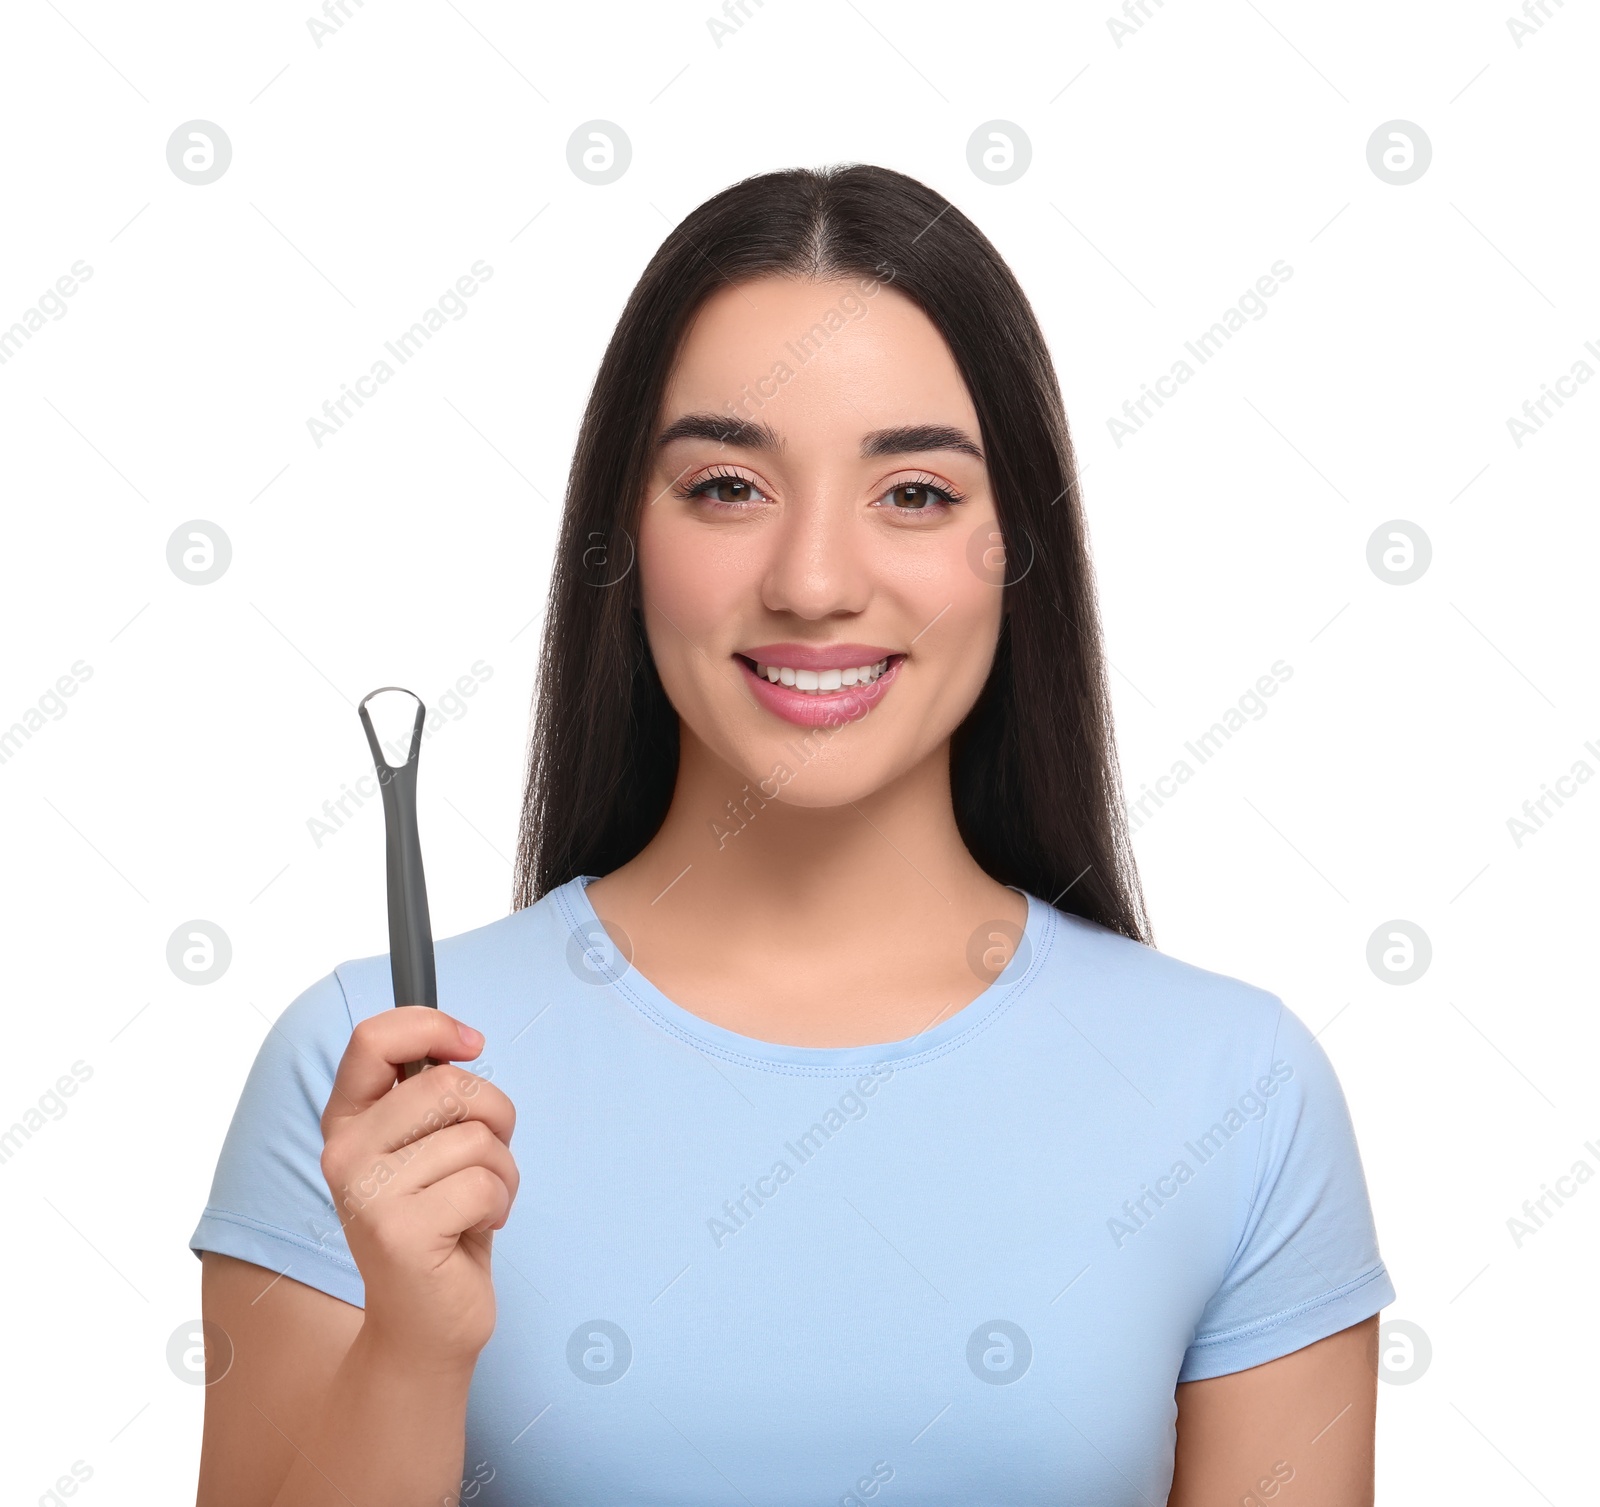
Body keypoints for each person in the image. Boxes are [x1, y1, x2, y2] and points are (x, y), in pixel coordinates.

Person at [190, 164, 1394, 1506]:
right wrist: (412, 1354)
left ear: (1020, 547)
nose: (814, 582)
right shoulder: (372, 1082)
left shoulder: (1238, 1093)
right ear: (625, 540)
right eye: (726, 487)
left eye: (916, 494)